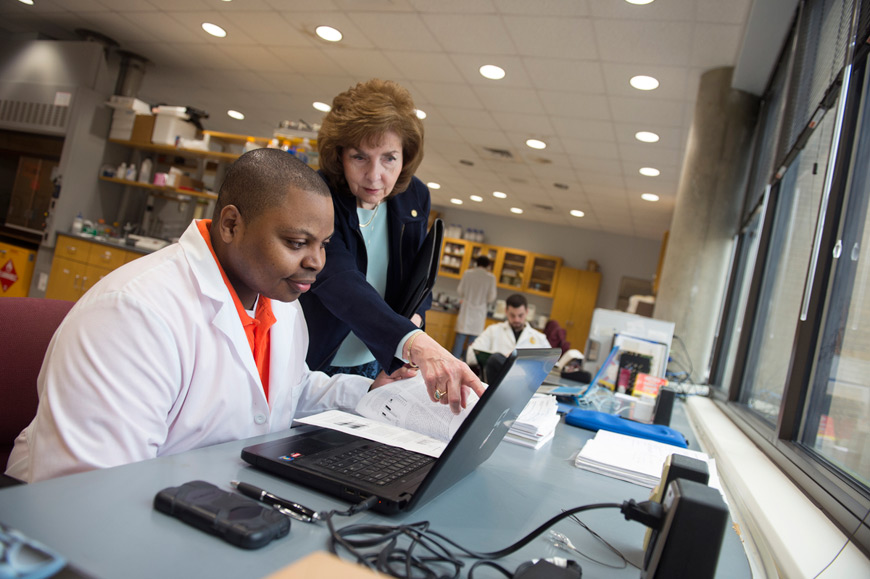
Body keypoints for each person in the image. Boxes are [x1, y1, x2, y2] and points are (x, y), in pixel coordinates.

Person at [6, 149, 411, 483]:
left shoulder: (280, 306)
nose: (316, 262)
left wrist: (373, 395)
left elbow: (289, 391)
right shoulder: (132, 314)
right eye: (295, 242)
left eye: (323, 244)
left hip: (210, 501)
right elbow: (93, 490)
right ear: (232, 223)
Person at [300, 79, 484, 414]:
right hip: (319, 362)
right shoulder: (318, 195)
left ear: (406, 157)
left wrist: (413, 324)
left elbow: (418, 280)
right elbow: (340, 282)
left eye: (389, 159)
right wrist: (413, 343)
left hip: (381, 362)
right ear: (338, 153)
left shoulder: (414, 197)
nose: (375, 176)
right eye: (359, 157)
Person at [466, 294, 550, 368]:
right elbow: (471, 356)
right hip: (495, 378)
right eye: (512, 315)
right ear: (506, 311)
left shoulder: (540, 338)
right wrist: (499, 359)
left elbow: (551, 364)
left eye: (520, 315)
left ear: (527, 311)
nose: (516, 320)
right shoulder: (492, 330)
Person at [452, 255, 497, 359]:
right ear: (488, 265)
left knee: (460, 339)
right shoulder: (491, 278)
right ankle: (467, 366)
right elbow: (491, 297)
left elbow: (460, 291)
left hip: (466, 310)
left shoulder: (467, 273)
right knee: (473, 343)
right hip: (479, 312)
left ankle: (454, 361)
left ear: (476, 263)